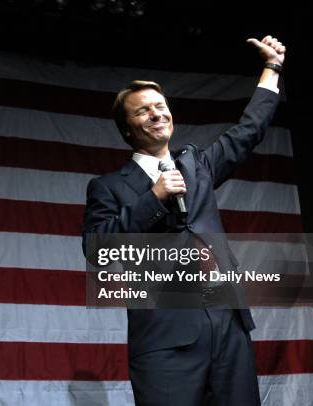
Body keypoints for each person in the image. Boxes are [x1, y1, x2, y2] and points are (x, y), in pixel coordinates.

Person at [82, 35, 286, 406]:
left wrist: (271, 68)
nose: (157, 113)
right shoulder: (109, 186)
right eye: (143, 110)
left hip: (228, 327)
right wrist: (154, 199)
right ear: (127, 129)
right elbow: (98, 250)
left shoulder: (198, 166)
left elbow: (248, 131)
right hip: (165, 340)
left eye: (161, 106)